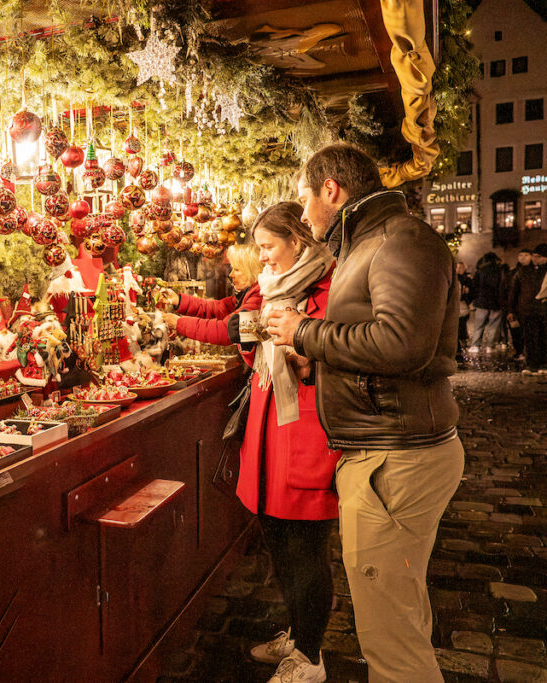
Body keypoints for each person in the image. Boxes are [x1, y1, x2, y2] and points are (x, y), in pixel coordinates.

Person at [267, 143, 464, 683]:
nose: (304, 215)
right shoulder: (375, 242)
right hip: (386, 447)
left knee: (389, 638)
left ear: (332, 190)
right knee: (398, 611)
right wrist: (318, 367)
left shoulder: (399, 241)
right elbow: (379, 346)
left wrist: (304, 333)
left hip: (395, 456)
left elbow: (402, 343)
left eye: (306, 199)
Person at [233, 203, 339, 683]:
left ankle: (311, 656)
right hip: (269, 437)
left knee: (307, 551)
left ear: (298, 240)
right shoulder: (274, 289)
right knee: (279, 543)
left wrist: (307, 360)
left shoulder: (330, 287)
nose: (262, 258)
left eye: (268, 247)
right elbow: (234, 323)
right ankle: (297, 634)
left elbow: (344, 357)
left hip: (307, 437)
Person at [158, 243, 262, 345]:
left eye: (237, 270)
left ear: (252, 271)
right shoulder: (246, 295)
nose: (231, 274)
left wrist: (179, 324)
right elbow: (217, 308)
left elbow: (224, 331)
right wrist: (179, 301)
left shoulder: (256, 299)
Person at [507, 247, 546, 374]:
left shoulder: (543, 271)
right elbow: (514, 291)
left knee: (542, 338)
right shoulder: (522, 271)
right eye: (534, 256)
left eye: (537, 256)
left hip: (542, 310)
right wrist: (511, 310)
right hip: (528, 311)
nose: (534, 259)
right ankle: (532, 364)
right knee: (530, 339)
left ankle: (543, 364)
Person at [468, 252, 506, 354]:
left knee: (478, 325)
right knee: (493, 326)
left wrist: (475, 299)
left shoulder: (480, 271)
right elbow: (503, 286)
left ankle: (475, 345)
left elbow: (474, 286)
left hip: (482, 302)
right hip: (496, 303)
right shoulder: (500, 271)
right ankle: (490, 346)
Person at [455, 261, 472, 361]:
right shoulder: (455, 279)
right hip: (459, 306)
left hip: (462, 306)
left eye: (461, 267)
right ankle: (459, 347)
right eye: (458, 267)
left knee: (460, 325)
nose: (459, 270)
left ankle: (459, 347)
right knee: (459, 326)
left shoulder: (466, 279)